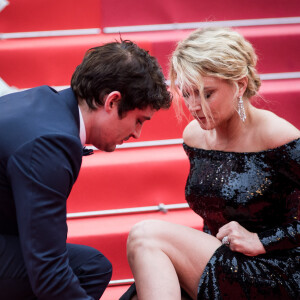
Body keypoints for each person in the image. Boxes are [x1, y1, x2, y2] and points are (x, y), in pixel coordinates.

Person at [120, 27, 300, 299]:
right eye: (187, 93)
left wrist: (262, 241)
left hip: (275, 269)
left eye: (207, 94)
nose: (194, 106)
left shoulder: (277, 136)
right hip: (224, 261)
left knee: (145, 236)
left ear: (239, 85)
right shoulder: (194, 137)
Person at [0, 40, 171, 299]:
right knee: (79, 272)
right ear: (112, 101)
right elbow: (49, 273)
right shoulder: (50, 144)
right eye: (138, 120)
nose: (137, 133)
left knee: (92, 267)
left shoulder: (47, 103)